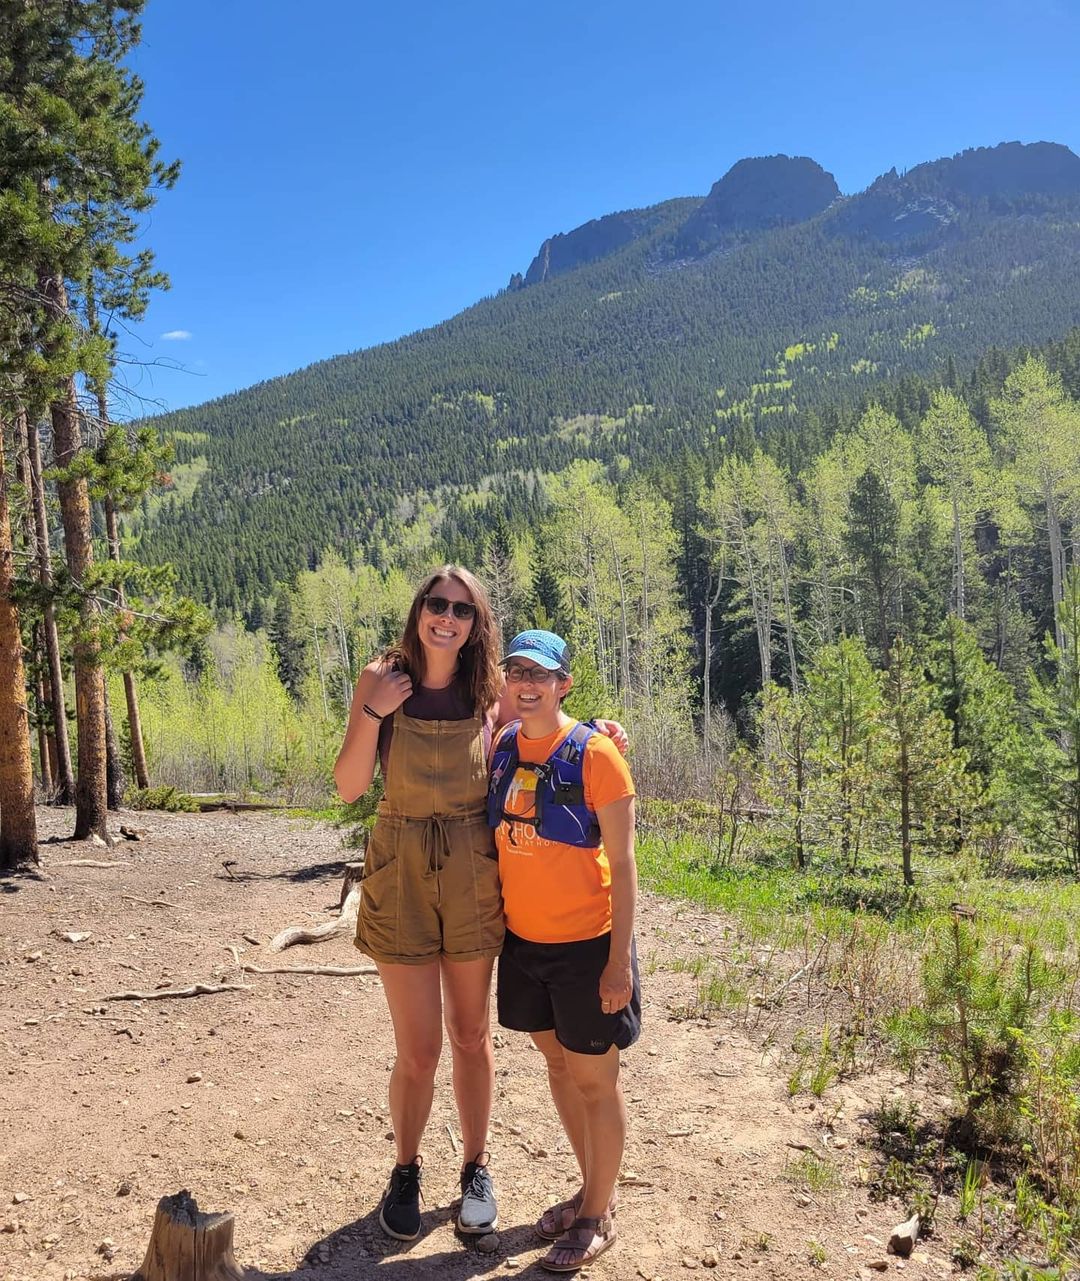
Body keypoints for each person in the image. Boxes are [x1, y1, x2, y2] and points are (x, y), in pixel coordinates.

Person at [334, 570, 625, 1245]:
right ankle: (405, 1169)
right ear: (419, 611)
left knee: (470, 1035)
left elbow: (539, 734)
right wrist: (373, 712)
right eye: (436, 604)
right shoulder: (381, 677)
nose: (447, 617)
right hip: (400, 869)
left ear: (476, 624)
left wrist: (597, 733)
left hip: (472, 869)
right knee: (417, 1049)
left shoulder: (488, 688)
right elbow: (349, 786)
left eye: (462, 609)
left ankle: (475, 1167)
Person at [488, 629, 639, 1274]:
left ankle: (596, 1216)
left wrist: (617, 962)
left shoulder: (597, 754)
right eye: (517, 672)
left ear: (563, 684)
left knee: (595, 1081)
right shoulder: (503, 746)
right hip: (524, 945)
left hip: (587, 946)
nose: (527, 684)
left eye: (540, 674)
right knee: (558, 1065)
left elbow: (625, 866)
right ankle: (591, 1190)